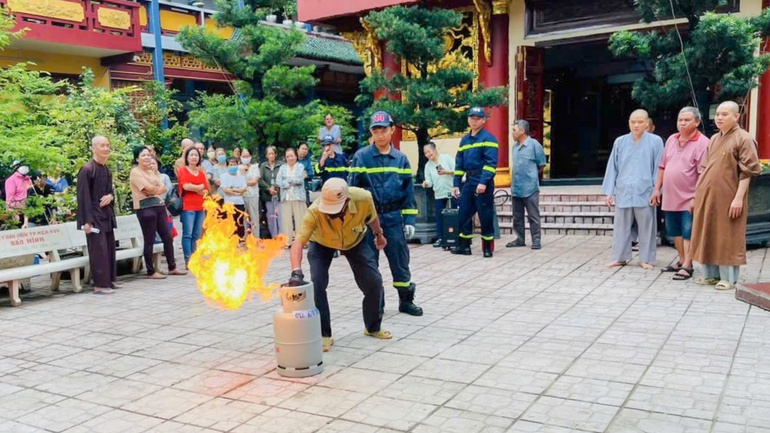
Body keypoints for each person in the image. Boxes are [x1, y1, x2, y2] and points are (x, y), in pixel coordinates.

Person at [288, 178, 392, 352]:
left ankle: (373, 327)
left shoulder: (363, 198)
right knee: (317, 283)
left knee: (374, 281)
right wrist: (296, 272)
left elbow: (371, 217)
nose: (331, 214)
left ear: (347, 201)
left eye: (335, 210)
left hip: (354, 240)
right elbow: (298, 242)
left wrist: (379, 235)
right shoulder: (314, 210)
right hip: (321, 242)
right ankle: (324, 335)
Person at [348, 111, 422, 316]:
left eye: (384, 130)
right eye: (375, 130)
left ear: (392, 130)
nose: (380, 134)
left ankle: (405, 301)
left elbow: (408, 193)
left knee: (400, 259)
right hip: (368, 220)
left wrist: (409, 220)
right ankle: (375, 303)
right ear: (371, 132)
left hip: (393, 218)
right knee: (369, 263)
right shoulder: (361, 157)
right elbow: (352, 191)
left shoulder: (401, 159)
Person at [690, 101, 761, 290]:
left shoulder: (743, 138)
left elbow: (748, 172)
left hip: (729, 195)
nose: (719, 118)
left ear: (736, 117)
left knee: (727, 235)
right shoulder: (713, 139)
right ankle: (710, 275)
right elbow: (705, 168)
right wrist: (696, 194)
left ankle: (728, 278)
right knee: (708, 232)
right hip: (708, 195)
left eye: (725, 114)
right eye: (717, 114)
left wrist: (738, 198)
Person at [649, 107, 709, 281]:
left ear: (697, 122)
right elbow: (662, 166)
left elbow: (703, 174)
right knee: (674, 231)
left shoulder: (702, 142)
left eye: (687, 120)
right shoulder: (671, 140)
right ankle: (681, 260)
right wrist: (656, 189)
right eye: (680, 119)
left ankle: (688, 265)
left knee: (688, 232)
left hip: (689, 197)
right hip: (670, 195)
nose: (682, 123)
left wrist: (697, 197)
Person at [602, 109, 664, 270]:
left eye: (640, 122)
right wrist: (609, 192)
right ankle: (620, 257)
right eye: (633, 122)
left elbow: (659, 167)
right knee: (621, 226)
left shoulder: (655, 141)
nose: (636, 125)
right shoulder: (620, 141)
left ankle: (646, 258)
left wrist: (656, 190)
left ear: (647, 124)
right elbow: (612, 167)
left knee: (647, 226)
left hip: (645, 190)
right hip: (624, 189)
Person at [129, 146, 187, 279]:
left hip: (159, 207)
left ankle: (172, 267)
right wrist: (154, 189)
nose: (147, 157)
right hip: (145, 209)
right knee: (149, 239)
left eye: (148, 155)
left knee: (167, 236)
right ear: (137, 158)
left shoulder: (152, 172)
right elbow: (147, 188)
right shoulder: (135, 172)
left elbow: (163, 188)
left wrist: (153, 189)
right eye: (143, 155)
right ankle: (150, 271)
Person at [451, 107, 499, 258]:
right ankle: (464, 246)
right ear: (468, 119)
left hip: (483, 181)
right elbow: (459, 163)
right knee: (463, 214)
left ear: (483, 120)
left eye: (478, 118)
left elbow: (491, 163)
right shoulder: (464, 140)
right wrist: (456, 183)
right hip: (469, 181)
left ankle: (487, 248)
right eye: (472, 118)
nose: (474, 121)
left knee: (485, 216)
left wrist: (483, 182)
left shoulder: (489, 139)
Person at [76, 136, 118, 294]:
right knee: (98, 250)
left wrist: (111, 197)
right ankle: (100, 284)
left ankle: (110, 280)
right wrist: (86, 221)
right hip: (93, 217)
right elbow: (83, 197)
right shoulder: (87, 169)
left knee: (109, 248)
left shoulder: (106, 169)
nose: (106, 148)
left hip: (106, 216)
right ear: (94, 148)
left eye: (108, 145)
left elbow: (110, 192)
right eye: (102, 146)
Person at [506, 119, 547, 250]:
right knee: (517, 216)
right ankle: (520, 238)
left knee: (533, 215)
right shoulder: (515, 147)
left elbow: (541, 164)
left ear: (522, 131)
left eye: (514, 130)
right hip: (516, 187)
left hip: (530, 187)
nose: (512, 132)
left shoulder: (534, 145)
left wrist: (531, 175)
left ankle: (536, 240)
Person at [177, 146, 211, 266]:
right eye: (191, 155)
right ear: (187, 157)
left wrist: (196, 188)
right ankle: (188, 259)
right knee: (188, 233)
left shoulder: (201, 172)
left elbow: (206, 190)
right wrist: (198, 188)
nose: (194, 157)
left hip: (200, 207)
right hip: (187, 207)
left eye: (196, 155)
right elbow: (185, 186)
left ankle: (195, 257)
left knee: (197, 234)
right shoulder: (183, 170)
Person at [422, 142, 456, 247]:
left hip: (453, 191)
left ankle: (457, 236)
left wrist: (447, 172)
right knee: (439, 216)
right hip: (439, 193)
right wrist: (426, 183)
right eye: (425, 153)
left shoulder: (446, 158)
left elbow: (458, 172)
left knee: (456, 214)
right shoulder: (428, 166)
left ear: (435, 150)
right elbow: (429, 181)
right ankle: (441, 238)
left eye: (429, 152)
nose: (427, 154)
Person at [276, 148, 308, 248]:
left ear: (296, 156)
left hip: (298, 197)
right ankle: (287, 242)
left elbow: (299, 179)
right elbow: (278, 181)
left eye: (292, 156)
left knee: (301, 220)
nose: (290, 158)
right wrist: (288, 182)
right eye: (287, 156)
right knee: (286, 221)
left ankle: (302, 241)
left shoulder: (300, 166)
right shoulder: (282, 168)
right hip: (286, 197)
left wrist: (287, 181)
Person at [219, 157, 248, 240]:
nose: (233, 166)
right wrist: (237, 192)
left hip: (240, 203)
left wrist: (232, 190)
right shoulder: (223, 176)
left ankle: (240, 240)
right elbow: (225, 190)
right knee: (230, 222)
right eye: (231, 165)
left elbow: (244, 189)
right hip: (228, 203)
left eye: (234, 164)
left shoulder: (241, 176)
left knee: (240, 222)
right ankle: (230, 240)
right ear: (228, 166)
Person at [259, 146, 283, 239]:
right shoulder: (263, 165)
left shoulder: (281, 165)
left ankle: (282, 237)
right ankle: (274, 236)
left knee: (280, 216)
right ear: (266, 155)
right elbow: (260, 179)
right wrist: (269, 188)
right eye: (269, 154)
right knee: (271, 216)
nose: (271, 156)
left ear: (276, 154)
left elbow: (283, 177)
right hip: (268, 195)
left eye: (273, 153)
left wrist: (277, 186)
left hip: (279, 194)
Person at [240, 148, 261, 235]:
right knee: (244, 218)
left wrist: (242, 183)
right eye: (243, 156)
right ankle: (245, 239)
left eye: (247, 156)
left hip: (253, 196)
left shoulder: (255, 167)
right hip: (241, 196)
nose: (245, 158)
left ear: (250, 156)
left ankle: (256, 238)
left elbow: (254, 181)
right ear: (240, 157)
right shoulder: (238, 168)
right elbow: (236, 181)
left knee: (254, 217)